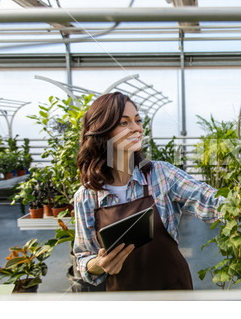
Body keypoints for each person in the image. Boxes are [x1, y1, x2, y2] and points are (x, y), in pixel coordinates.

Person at [73, 92, 223, 291]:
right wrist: (98, 265)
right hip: (123, 302)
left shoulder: (160, 175)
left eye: (137, 120)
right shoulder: (86, 196)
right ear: (102, 131)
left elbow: (210, 200)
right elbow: (83, 258)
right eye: (124, 123)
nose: (137, 128)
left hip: (174, 293)